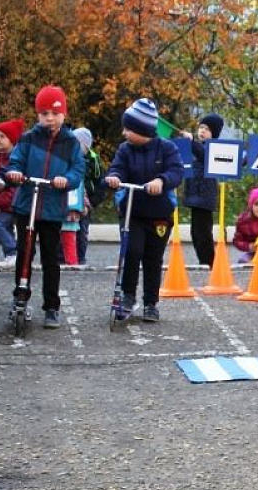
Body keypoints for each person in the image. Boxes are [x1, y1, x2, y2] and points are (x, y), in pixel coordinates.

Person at [4, 86, 85, 329]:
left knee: (51, 257)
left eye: (54, 113)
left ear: (63, 114)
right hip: (27, 205)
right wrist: (15, 172)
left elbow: (78, 169)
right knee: (24, 253)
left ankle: (51, 306)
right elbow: (15, 160)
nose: (49, 118)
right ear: (37, 115)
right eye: (44, 113)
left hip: (51, 207)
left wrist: (67, 180)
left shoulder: (70, 142)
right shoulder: (29, 138)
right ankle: (20, 298)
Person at [103, 98, 184, 323]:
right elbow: (117, 169)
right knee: (132, 251)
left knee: (153, 258)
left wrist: (161, 180)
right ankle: (127, 296)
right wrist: (114, 179)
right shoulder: (125, 150)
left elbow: (176, 172)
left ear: (143, 130)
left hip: (159, 214)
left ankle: (151, 302)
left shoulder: (166, 148)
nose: (124, 133)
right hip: (133, 213)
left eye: (129, 129)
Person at [181, 113, 223, 267]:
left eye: (207, 129)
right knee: (196, 232)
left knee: (203, 232)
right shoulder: (197, 146)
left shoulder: (212, 148)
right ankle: (204, 260)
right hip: (195, 194)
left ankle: (209, 261)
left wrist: (191, 141)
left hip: (204, 196)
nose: (202, 131)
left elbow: (204, 156)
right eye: (201, 128)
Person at [0, 118, 24, 268]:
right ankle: (11, 256)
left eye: (2, 136)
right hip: (4, 203)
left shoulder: (15, 159)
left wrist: (0, 200)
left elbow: (14, 185)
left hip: (13, 203)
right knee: (4, 226)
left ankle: (13, 252)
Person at [72, 127, 102, 265]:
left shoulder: (94, 161)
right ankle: (65, 257)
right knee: (66, 228)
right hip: (70, 201)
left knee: (82, 231)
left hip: (86, 202)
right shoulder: (68, 157)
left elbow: (100, 185)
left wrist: (92, 203)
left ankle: (81, 258)